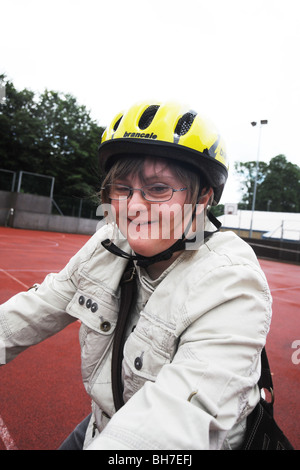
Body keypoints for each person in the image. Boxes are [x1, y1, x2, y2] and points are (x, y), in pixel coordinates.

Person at [0, 101, 272, 450]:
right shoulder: (110, 242)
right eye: (122, 188)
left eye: (158, 189)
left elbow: (172, 422)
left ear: (203, 197)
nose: (132, 206)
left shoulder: (233, 283)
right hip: (101, 423)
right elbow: (37, 306)